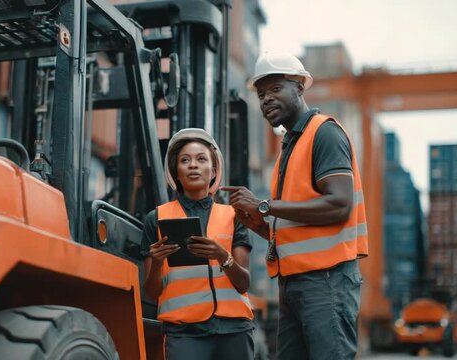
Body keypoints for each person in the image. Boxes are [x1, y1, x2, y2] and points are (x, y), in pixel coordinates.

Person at [222, 52, 368, 360]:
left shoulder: (324, 133)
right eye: (261, 95)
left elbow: (339, 206)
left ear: (299, 86)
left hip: (327, 282)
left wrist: (263, 206)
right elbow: (293, 230)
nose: (267, 100)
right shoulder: (289, 148)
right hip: (294, 285)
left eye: (276, 89)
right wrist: (256, 223)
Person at [140, 128, 255, 360]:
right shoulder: (157, 219)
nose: (193, 165)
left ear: (213, 171)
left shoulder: (235, 216)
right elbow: (152, 293)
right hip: (184, 333)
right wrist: (158, 261)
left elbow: (244, 283)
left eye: (201, 159)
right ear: (176, 171)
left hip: (234, 331)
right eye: (185, 160)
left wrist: (223, 256)